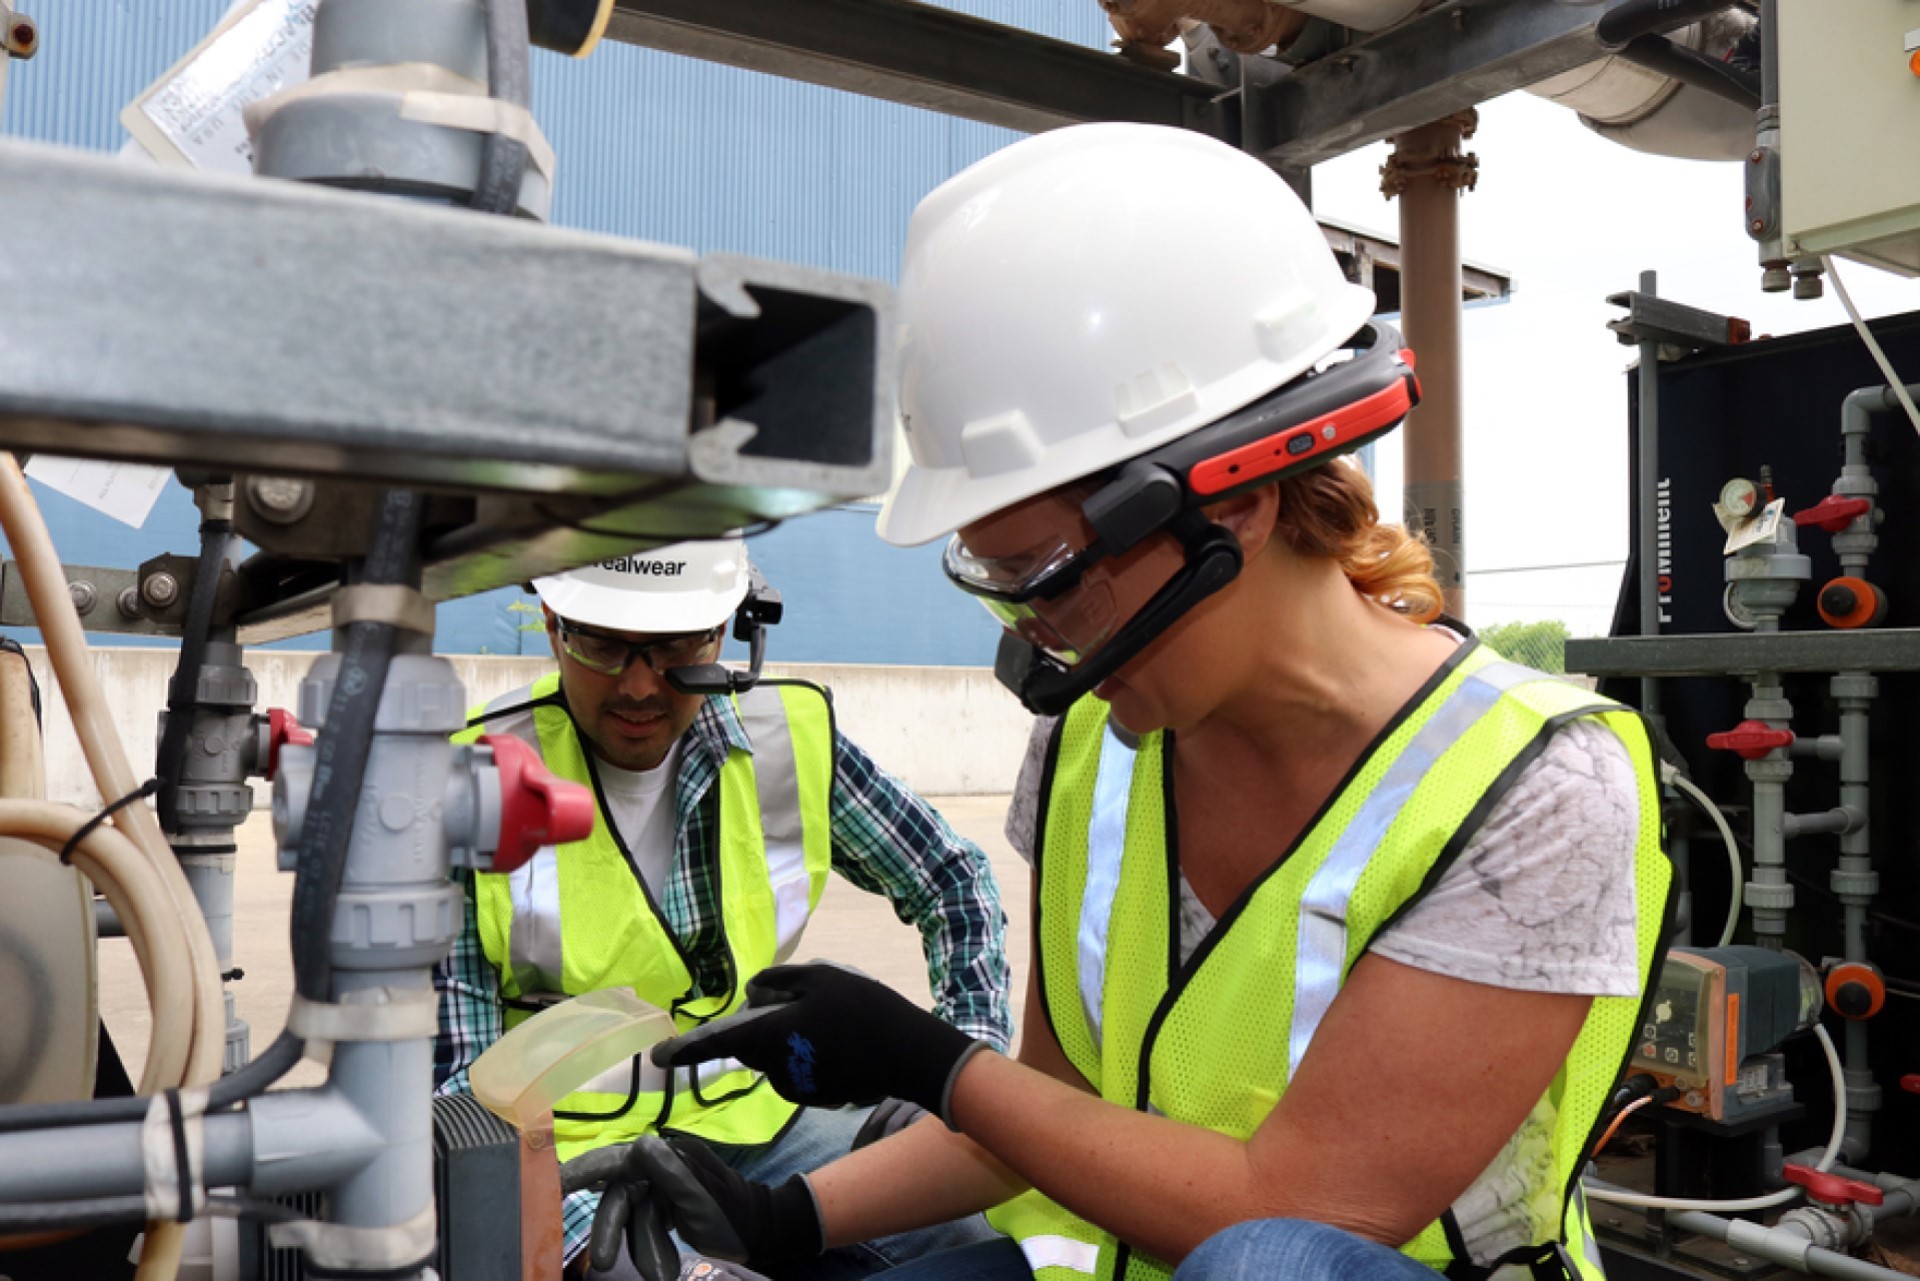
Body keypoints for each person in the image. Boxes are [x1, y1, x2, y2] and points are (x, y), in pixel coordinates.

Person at [592, 124, 1673, 1281]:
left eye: (1043, 577)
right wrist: (784, 1221)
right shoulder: (1090, 747)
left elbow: (1301, 1213)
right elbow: (1053, 1112)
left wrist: (934, 1064)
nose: (1035, 632)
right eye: (993, 583)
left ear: (1234, 505)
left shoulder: (1535, 787)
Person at [431, 537, 1013, 1278]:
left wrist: (960, 1077)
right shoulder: (472, 779)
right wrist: (585, 1246)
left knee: (961, 1232)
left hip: (762, 1124)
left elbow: (951, 878)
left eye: (676, 647)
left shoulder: (784, 740)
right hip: (567, 1162)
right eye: (607, 647)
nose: (640, 687)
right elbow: (460, 1098)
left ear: (729, 629)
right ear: (554, 625)